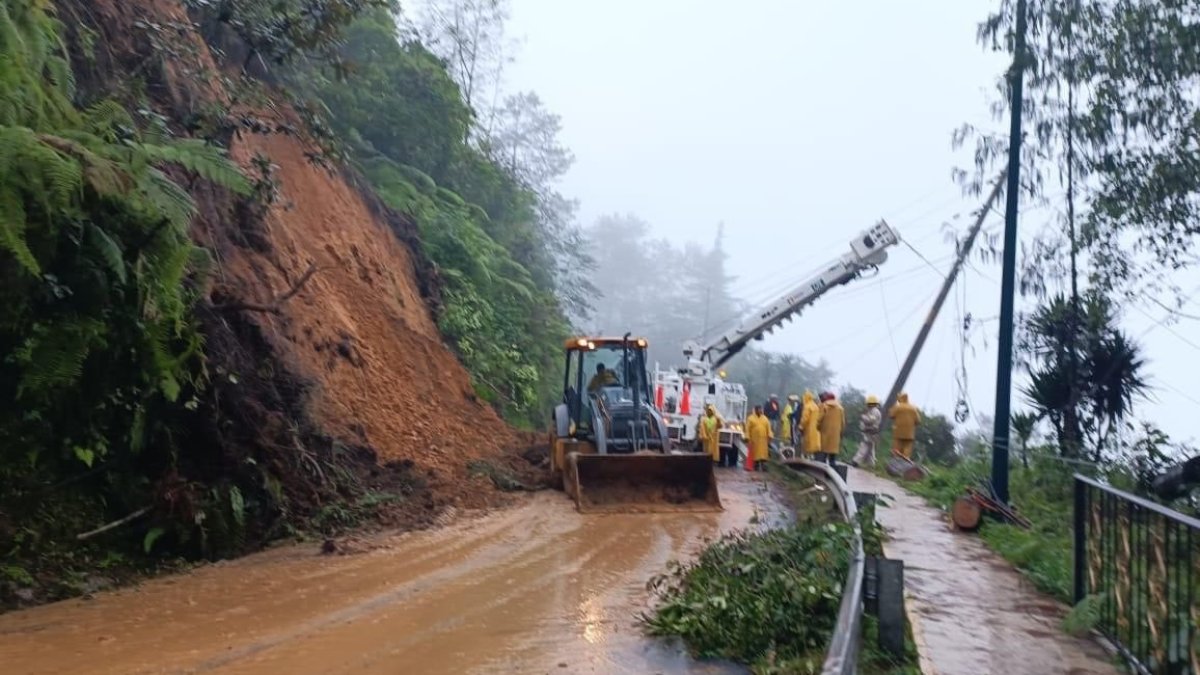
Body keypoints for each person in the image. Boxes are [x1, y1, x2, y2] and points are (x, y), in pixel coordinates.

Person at [851, 395, 883, 467]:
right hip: (870, 432)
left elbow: (871, 420)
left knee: (864, 447)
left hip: (870, 432)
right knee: (870, 449)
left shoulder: (875, 411)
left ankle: (855, 461)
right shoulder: (873, 411)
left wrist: (862, 416)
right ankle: (871, 464)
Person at [889, 392, 922, 460]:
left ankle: (894, 465)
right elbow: (918, 421)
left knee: (896, 450)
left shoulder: (898, 407)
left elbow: (891, 415)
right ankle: (904, 466)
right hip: (909, 434)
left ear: (901, 398)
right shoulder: (914, 408)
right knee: (907, 451)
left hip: (898, 433)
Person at [817, 391, 845, 467]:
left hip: (824, 433)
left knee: (822, 454)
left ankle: (820, 472)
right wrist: (841, 433)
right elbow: (843, 423)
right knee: (832, 456)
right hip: (835, 435)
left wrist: (817, 428)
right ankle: (831, 471)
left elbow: (819, 419)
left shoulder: (824, 406)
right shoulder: (840, 408)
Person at [745, 404, 772, 472]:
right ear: (756, 410)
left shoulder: (765, 418)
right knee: (755, 454)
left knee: (763, 454)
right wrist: (747, 437)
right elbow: (747, 428)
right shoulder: (750, 418)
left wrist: (770, 435)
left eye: (761, 409)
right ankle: (755, 466)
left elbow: (768, 428)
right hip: (754, 439)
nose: (761, 411)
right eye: (759, 409)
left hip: (763, 440)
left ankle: (763, 466)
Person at [799, 391, 822, 458]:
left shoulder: (807, 406)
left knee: (806, 443)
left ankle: (804, 457)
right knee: (813, 443)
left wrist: (801, 426)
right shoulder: (816, 406)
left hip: (808, 428)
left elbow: (805, 418)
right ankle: (811, 456)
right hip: (815, 428)